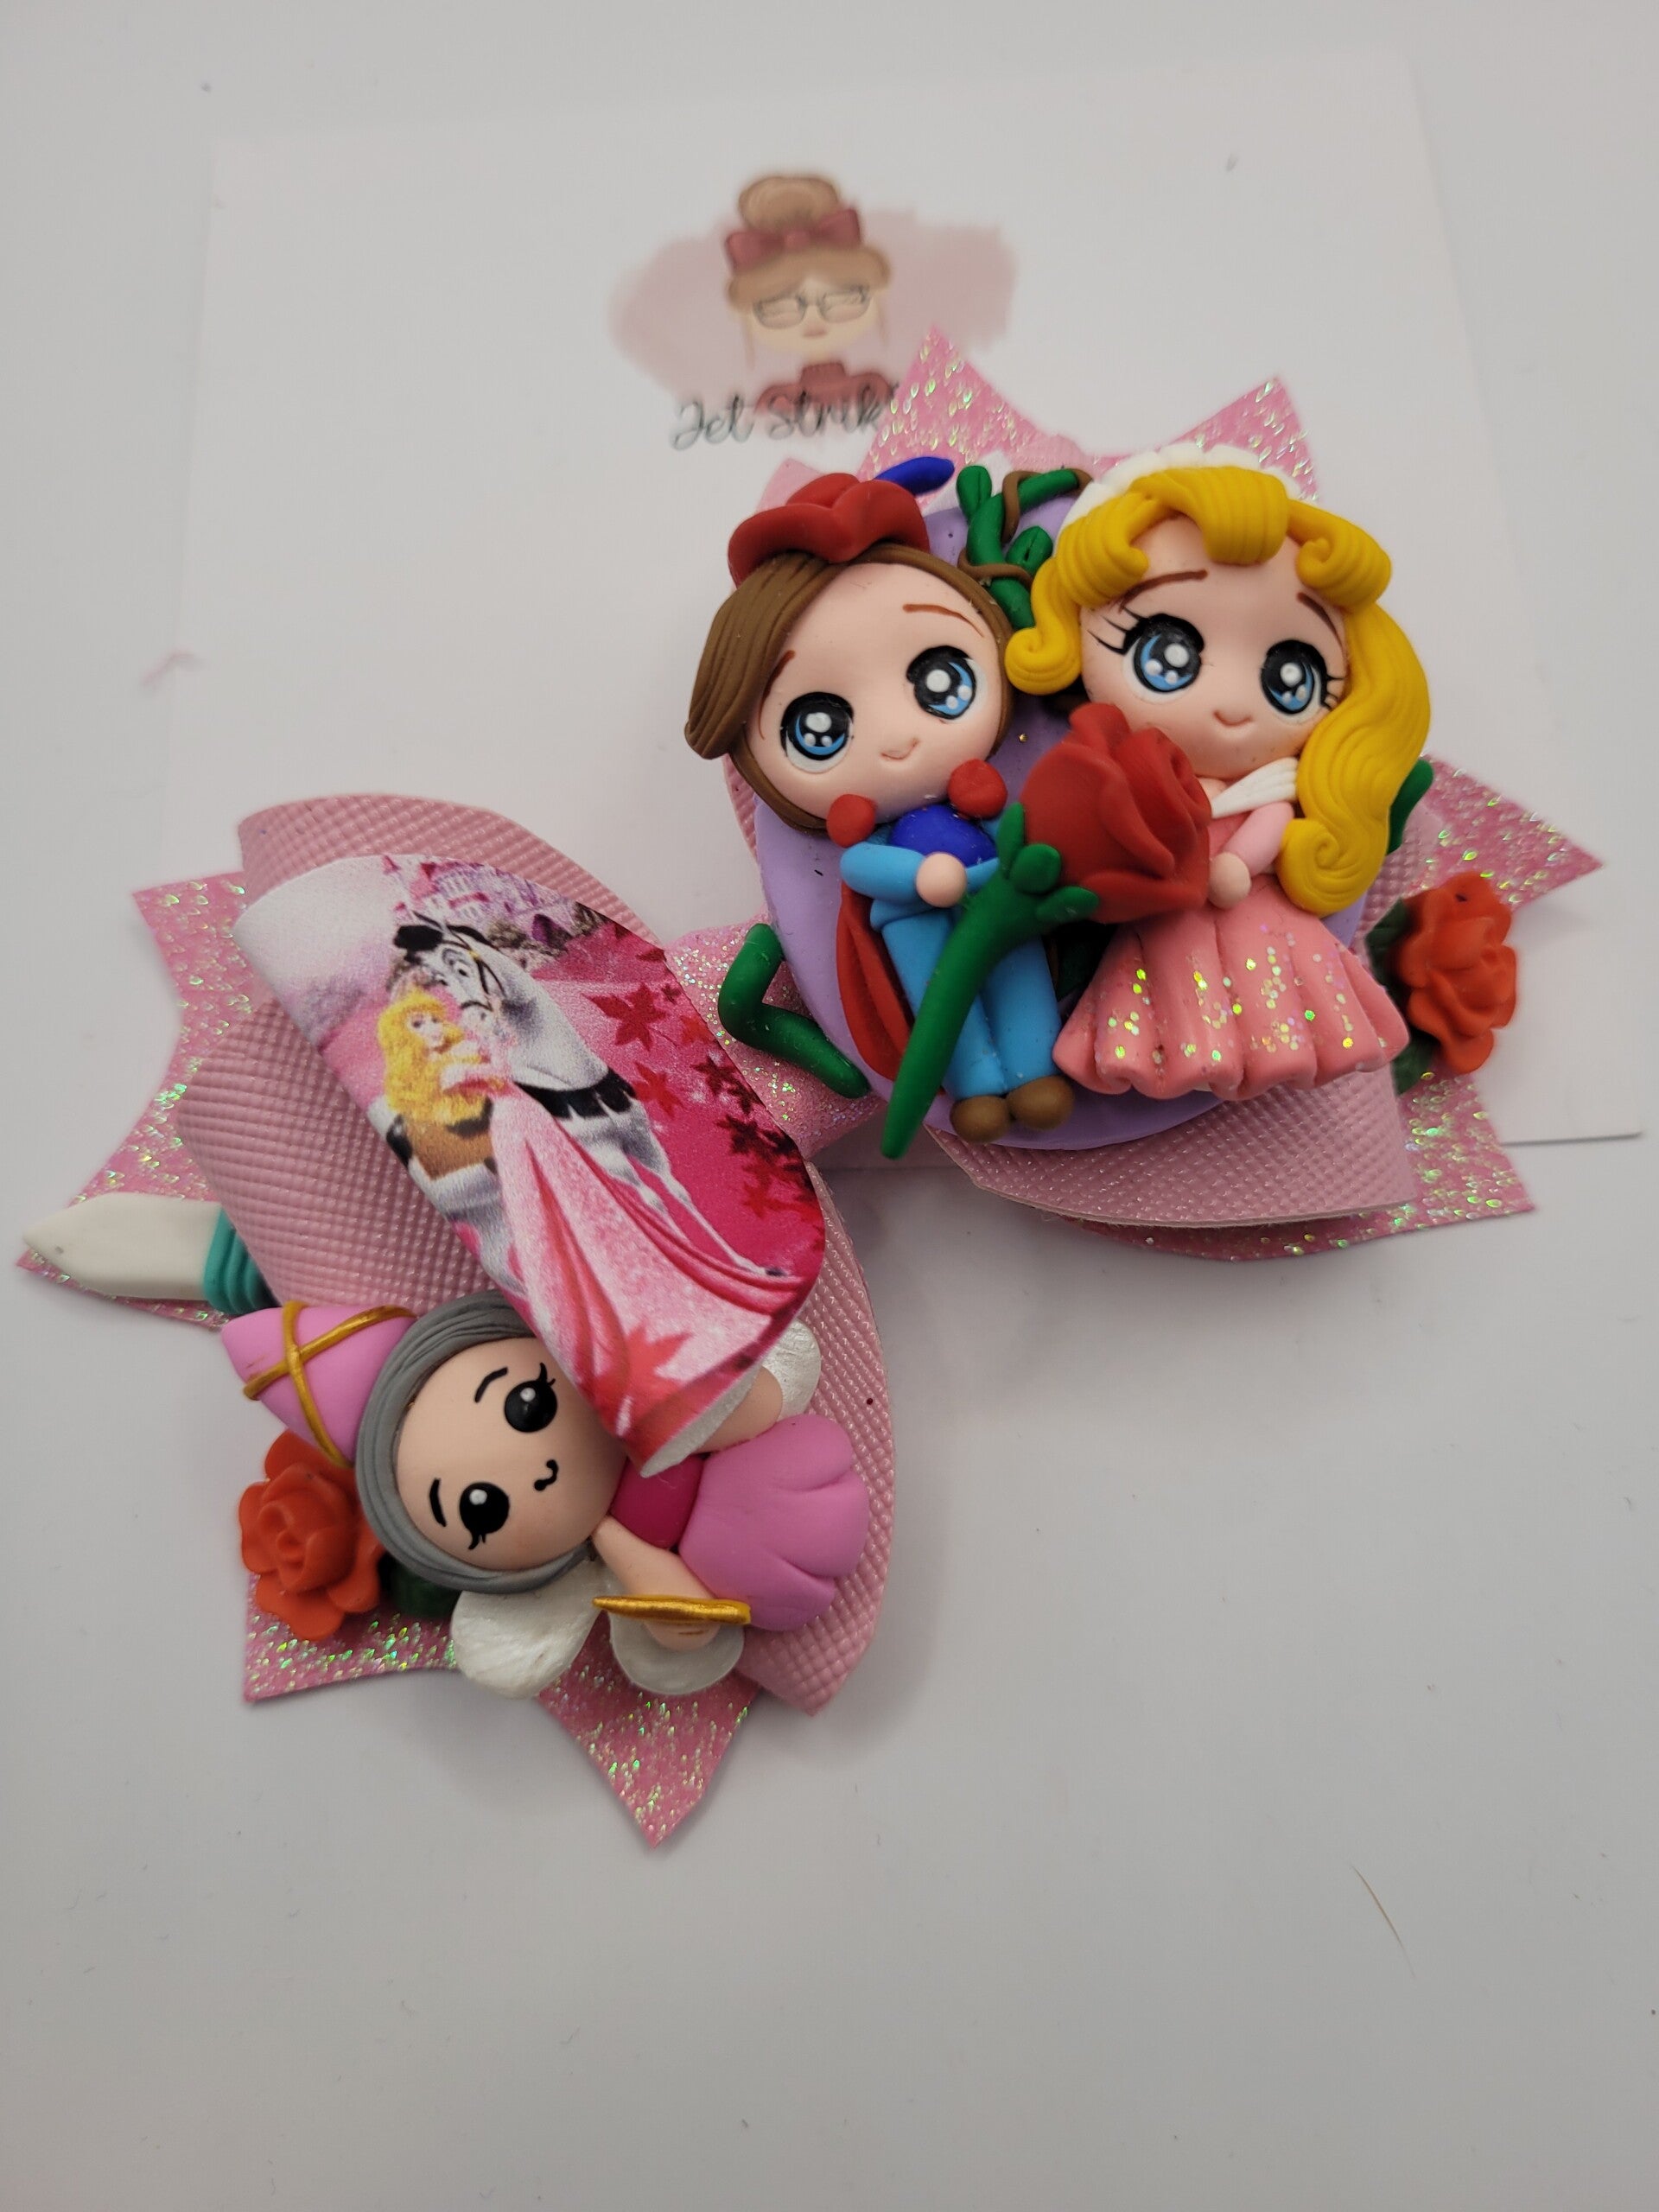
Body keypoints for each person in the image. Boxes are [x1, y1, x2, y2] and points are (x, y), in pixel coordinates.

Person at [1007, 447, 1429, 1102]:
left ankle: (1276, 1048)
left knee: (1269, 989)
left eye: (1290, 675)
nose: (1230, 702)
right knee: (1169, 980)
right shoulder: (1121, 773)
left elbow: (1269, 825)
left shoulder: (1278, 790)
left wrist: (1238, 863)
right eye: (1167, 655)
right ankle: (1169, 1053)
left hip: (1252, 909)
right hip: (1165, 913)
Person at [685, 469, 1073, 1142]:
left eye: (940, 679)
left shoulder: (979, 797)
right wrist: (920, 876)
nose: (897, 739)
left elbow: (1019, 832)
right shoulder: (869, 836)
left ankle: (1035, 1066)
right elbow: (861, 868)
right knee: (942, 1003)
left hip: (994, 896)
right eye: (821, 727)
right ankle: (977, 1081)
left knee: (1020, 976)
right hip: (911, 921)